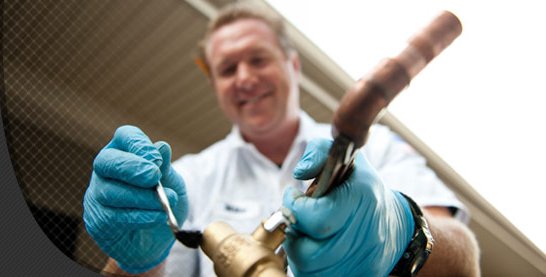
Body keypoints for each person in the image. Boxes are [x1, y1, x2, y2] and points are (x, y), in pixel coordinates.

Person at [83, 2, 480, 276]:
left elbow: (465, 262)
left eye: (258, 59)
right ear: (215, 85)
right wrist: (133, 262)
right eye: (227, 69)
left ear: (293, 64)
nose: (244, 78)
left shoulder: (377, 147)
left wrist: (403, 230)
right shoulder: (186, 179)